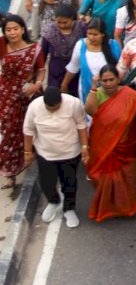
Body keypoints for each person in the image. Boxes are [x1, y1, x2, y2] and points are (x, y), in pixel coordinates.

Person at [84, 65, 136, 222]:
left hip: (126, 144)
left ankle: (126, 208)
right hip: (103, 144)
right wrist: (93, 87)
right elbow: (90, 111)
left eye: (111, 80)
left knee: (128, 177)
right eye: (104, 80)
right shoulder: (97, 94)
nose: (108, 83)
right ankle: (107, 207)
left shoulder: (131, 96)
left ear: (118, 79)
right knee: (104, 176)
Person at [22, 86, 88, 229]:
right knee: (46, 182)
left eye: (56, 108)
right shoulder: (34, 107)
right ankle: (54, 201)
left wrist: (84, 147)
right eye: (49, 108)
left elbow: (81, 125)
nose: (52, 110)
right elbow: (28, 130)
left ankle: (69, 208)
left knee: (69, 182)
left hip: (70, 152)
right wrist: (27, 152)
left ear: (61, 101)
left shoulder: (74, 104)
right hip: (45, 153)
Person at [0, 14, 45, 189]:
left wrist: (37, 84)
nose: (12, 33)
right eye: (8, 30)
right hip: (6, 96)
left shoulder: (35, 49)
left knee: (29, 129)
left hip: (28, 97)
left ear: (23, 29)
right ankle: (10, 172)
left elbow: (41, 70)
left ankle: (30, 159)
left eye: (15, 29)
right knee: (9, 130)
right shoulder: (2, 45)